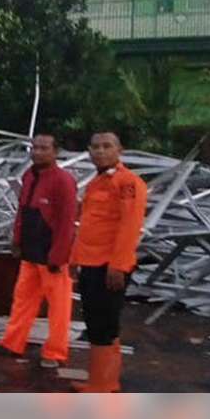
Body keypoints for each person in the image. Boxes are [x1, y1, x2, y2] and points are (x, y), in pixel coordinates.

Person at [69, 132, 147, 392]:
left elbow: (129, 227)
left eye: (107, 146)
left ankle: (103, 384)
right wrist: (75, 259)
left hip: (109, 267)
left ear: (119, 149)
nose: (100, 151)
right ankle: (101, 381)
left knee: (104, 324)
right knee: (96, 323)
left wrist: (119, 266)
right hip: (91, 264)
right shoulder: (96, 184)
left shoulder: (128, 183)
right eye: (95, 147)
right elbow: (89, 226)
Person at [0, 134, 77, 368]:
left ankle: (55, 352)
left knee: (58, 307)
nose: (38, 152)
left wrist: (59, 255)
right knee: (23, 300)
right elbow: (22, 211)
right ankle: (12, 343)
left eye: (44, 148)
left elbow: (66, 222)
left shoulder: (64, 181)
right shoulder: (29, 176)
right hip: (30, 251)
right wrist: (17, 240)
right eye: (35, 147)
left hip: (51, 253)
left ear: (55, 151)